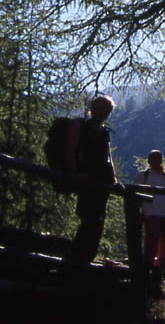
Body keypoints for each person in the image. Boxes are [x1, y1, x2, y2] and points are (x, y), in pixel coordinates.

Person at [67, 94, 120, 263]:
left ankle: (83, 259)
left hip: (101, 182)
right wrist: (76, 174)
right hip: (88, 180)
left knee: (97, 220)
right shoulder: (82, 128)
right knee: (89, 219)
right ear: (94, 109)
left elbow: (107, 158)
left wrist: (113, 180)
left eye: (108, 110)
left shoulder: (103, 132)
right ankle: (77, 260)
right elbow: (71, 150)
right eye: (104, 109)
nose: (106, 113)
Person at [134, 150, 165, 284]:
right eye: (153, 159)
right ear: (149, 161)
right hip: (151, 212)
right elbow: (136, 195)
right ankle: (149, 268)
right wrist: (139, 211)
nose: (156, 162)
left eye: (158, 159)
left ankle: (159, 269)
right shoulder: (143, 176)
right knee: (152, 241)